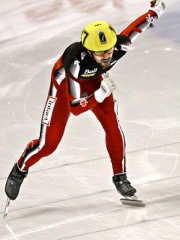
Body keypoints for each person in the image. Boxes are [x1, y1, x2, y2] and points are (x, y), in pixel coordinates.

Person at [5, 0, 165, 201]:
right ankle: (20, 168)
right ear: (89, 51)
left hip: (93, 81)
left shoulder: (119, 45)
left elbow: (137, 26)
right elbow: (75, 108)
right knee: (49, 144)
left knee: (112, 125)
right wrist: (99, 95)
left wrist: (156, 10)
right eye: (100, 53)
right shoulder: (75, 62)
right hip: (65, 86)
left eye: (108, 50)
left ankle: (120, 177)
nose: (106, 56)